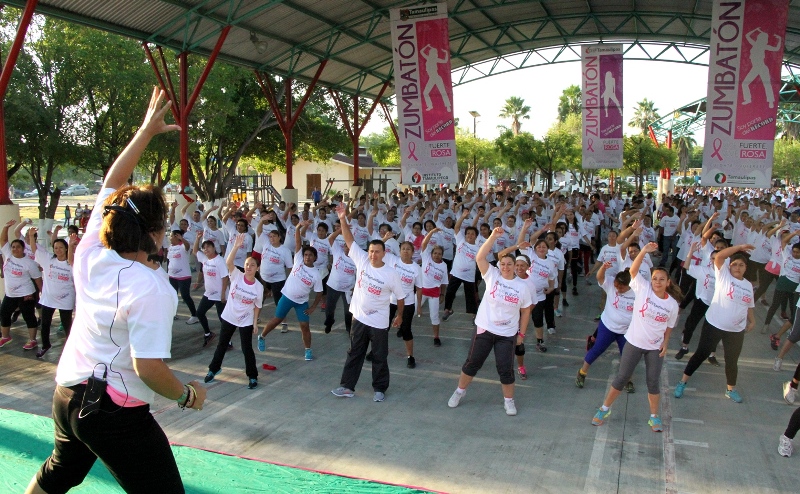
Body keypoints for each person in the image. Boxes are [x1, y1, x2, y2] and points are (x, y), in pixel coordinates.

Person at [24, 88, 206, 494]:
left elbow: (112, 182)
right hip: (114, 412)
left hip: (67, 393)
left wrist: (145, 132)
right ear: (155, 234)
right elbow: (149, 369)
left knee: (59, 472)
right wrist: (187, 395)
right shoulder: (153, 288)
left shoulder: (90, 252)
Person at [591, 242, 681, 432]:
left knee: (652, 382)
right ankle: (603, 409)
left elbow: (669, 326)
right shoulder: (643, 288)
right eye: (655, 278)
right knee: (622, 377)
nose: (657, 282)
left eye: (661, 279)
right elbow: (633, 271)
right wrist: (644, 251)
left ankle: (654, 417)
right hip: (633, 343)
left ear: (668, 282)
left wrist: (665, 343)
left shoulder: (672, 304)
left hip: (654, 347)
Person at [447, 226, 533, 416]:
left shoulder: (522, 287)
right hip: (485, 329)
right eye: (503, 264)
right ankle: (459, 391)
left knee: (505, 369)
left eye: (509, 264)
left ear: (515, 266)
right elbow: (480, 257)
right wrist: (493, 236)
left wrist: (521, 334)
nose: (506, 267)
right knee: (472, 363)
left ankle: (509, 401)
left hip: (507, 334)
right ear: (499, 265)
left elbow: (526, 311)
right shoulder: (492, 275)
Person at [331, 203, 405, 402]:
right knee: (354, 353)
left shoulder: (391, 274)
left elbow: (400, 297)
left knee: (379, 357)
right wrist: (342, 218)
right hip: (359, 319)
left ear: (384, 253)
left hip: (379, 322)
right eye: (371, 251)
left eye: (377, 252)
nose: (373, 255)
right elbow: (349, 238)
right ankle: (347, 387)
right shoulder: (362, 260)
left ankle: (379, 389)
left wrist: (399, 316)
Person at [672, 242, 756, 403]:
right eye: (735, 264)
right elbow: (720, 256)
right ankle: (682, 382)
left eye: (741, 265)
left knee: (732, 360)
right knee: (701, 354)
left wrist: (752, 320)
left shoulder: (747, 285)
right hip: (714, 325)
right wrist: (739, 247)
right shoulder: (723, 275)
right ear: (729, 266)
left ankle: (730, 389)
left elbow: (749, 305)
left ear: (746, 268)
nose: (738, 267)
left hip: (736, 330)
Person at [258, 220, 323, 361]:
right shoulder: (298, 260)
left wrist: (313, 307)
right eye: (306, 255)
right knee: (277, 320)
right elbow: (298, 241)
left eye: (310, 255)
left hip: (302, 303)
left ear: (315, 258)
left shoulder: (316, 275)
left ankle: (308, 350)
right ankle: (262, 336)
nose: (307, 257)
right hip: (287, 297)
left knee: (305, 326)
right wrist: (298, 227)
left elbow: (319, 292)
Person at [205, 232, 263, 389]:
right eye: (247, 264)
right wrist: (236, 246)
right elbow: (228, 262)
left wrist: (255, 323)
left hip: (246, 320)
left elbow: (257, 305)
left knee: (247, 348)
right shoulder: (236, 275)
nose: (248, 267)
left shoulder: (259, 287)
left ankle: (252, 376)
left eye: (252, 265)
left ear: (257, 268)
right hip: (229, 316)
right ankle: (213, 369)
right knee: (222, 344)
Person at [576, 263, 635, 391]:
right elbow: (599, 277)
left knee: (627, 357)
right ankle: (582, 373)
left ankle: (628, 380)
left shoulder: (637, 292)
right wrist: (603, 268)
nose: (618, 289)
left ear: (628, 285)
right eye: (616, 286)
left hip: (625, 331)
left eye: (621, 287)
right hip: (607, 327)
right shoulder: (611, 286)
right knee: (597, 349)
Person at [27, 227, 77, 358]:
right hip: (48, 298)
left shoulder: (72, 262)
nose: (58, 250)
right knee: (45, 324)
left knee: (67, 325)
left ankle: (72, 349)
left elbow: (72, 264)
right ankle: (45, 345)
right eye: (55, 248)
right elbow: (34, 250)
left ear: (66, 248)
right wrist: (31, 236)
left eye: (61, 247)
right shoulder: (48, 259)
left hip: (66, 299)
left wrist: (72, 245)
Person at [0, 220, 43, 350]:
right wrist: (6, 227)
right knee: (4, 314)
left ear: (23, 248)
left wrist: (42, 293)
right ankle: (5, 336)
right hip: (10, 294)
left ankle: (32, 340)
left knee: (28, 316)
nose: (15, 249)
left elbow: (37, 279)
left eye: (18, 247)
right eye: (13, 247)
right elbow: (3, 240)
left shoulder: (29, 263)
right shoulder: (8, 255)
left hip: (26, 294)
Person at [192, 231, 229, 347]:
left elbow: (225, 278)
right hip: (209, 294)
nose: (206, 249)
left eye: (208, 247)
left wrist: (223, 294)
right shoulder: (205, 259)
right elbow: (194, 251)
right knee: (200, 313)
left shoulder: (220, 260)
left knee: (222, 319)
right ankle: (208, 334)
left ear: (214, 248)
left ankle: (228, 342)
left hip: (219, 295)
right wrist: (198, 238)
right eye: (204, 248)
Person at [417, 228, 448, 346]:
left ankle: (436, 337)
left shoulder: (444, 266)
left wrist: (442, 294)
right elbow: (424, 243)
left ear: (442, 255)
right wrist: (432, 232)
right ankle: (403, 328)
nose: (437, 255)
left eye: (439, 254)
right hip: (422, 291)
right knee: (412, 310)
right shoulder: (426, 258)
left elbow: (444, 282)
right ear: (431, 253)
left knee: (434, 317)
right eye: (435, 253)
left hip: (434, 294)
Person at [166, 229, 199, 325]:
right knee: (173, 295)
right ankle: (173, 313)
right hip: (172, 276)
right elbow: (169, 260)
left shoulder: (183, 246)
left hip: (184, 276)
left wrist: (182, 239)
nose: (170, 238)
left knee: (185, 296)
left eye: (171, 236)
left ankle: (194, 315)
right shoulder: (170, 247)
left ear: (177, 237)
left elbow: (188, 246)